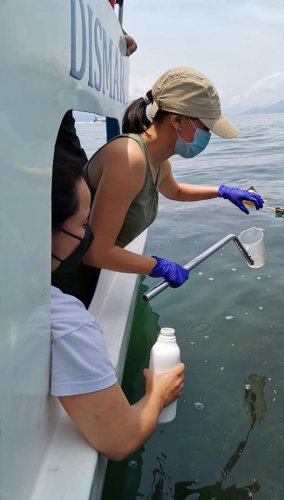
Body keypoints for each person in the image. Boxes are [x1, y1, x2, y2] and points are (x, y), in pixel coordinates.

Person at [53, 66, 264, 306]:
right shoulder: (129, 159)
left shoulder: (158, 161)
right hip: (66, 287)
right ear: (177, 121)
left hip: (90, 279)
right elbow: (96, 253)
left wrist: (222, 191)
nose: (208, 135)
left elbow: (175, 191)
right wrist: (157, 266)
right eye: (205, 128)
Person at [51, 161, 185, 460]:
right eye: (84, 224)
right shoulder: (63, 321)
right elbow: (120, 440)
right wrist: (158, 395)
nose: (89, 235)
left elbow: (174, 189)